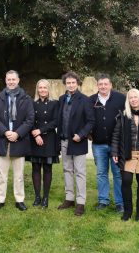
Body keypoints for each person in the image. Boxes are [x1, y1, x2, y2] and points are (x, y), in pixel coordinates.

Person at [0, 70, 34, 211]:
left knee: (19, 175)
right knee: (2, 174)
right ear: (5, 80)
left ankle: (19, 200)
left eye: (13, 79)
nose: (11, 82)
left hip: (19, 140)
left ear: (18, 80)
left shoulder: (26, 98)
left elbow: (30, 119)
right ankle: (0, 199)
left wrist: (17, 133)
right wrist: (5, 131)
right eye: (9, 79)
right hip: (3, 140)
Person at [111, 88, 139, 221]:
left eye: (135, 97)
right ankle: (127, 211)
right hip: (127, 153)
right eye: (131, 98)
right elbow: (116, 135)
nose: (133, 99)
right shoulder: (123, 116)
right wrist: (115, 151)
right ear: (128, 101)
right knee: (126, 181)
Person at [57, 71, 95, 216]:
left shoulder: (85, 100)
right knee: (67, 170)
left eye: (73, 82)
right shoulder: (61, 99)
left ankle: (80, 202)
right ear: (65, 84)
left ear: (77, 83)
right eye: (68, 83)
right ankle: (69, 198)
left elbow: (91, 121)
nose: (71, 85)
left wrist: (81, 134)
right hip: (64, 140)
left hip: (78, 141)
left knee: (80, 172)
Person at [89, 73, 125, 213]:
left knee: (118, 174)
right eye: (100, 84)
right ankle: (103, 200)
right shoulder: (91, 100)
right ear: (97, 85)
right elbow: (87, 119)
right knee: (101, 173)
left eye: (106, 84)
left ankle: (120, 202)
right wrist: (88, 133)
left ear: (110, 85)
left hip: (116, 144)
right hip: (98, 144)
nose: (103, 86)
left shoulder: (121, 99)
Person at [26, 79, 59, 209]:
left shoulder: (54, 103)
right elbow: (29, 119)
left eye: (45, 87)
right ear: (37, 89)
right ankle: (37, 197)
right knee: (35, 168)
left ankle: (45, 197)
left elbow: (55, 121)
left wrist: (41, 131)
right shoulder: (32, 103)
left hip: (49, 139)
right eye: (40, 88)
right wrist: (36, 134)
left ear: (48, 89)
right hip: (35, 139)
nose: (43, 90)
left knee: (47, 168)